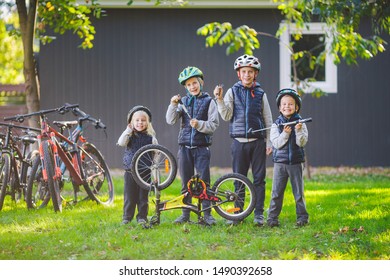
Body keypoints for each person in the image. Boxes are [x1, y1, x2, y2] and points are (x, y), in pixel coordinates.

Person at [213, 54, 273, 226]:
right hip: (239, 143)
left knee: (259, 178)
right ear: (239, 74)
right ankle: (238, 213)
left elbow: (268, 119)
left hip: (258, 142)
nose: (247, 74)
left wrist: (269, 142)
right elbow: (226, 115)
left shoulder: (261, 94)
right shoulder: (232, 92)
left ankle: (259, 214)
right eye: (244, 71)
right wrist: (219, 99)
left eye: (250, 72)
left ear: (255, 74)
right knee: (239, 178)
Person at [166, 66, 219, 226]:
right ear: (185, 87)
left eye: (195, 83)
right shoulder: (183, 102)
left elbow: (214, 124)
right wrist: (172, 105)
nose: (192, 87)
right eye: (188, 85)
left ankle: (206, 214)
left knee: (204, 181)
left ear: (201, 82)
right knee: (186, 182)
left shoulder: (209, 102)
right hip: (184, 148)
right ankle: (185, 213)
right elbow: (170, 120)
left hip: (201, 147)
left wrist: (200, 124)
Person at [267, 88, 309, 227]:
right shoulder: (276, 124)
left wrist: (298, 131)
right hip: (280, 163)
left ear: (296, 107)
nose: (287, 106)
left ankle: (302, 217)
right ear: (279, 108)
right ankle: (272, 218)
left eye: (290, 104)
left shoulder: (300, 123)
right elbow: (277, 144)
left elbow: (301, 143)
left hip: (296, 163)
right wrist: (285, 134)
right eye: (284, 104)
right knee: (276, 192)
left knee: (298, 193)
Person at [117, 105, 157, 226]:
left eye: (143, 120)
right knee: (129, 196)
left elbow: (156, 155)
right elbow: (120, 142)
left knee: (143, 197)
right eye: (137, 120)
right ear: (131, 122)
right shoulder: (129, 136)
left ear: (148, 122)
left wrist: (154, 173)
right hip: (130, 171)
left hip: (144, 172)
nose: (140, 123)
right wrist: (128, 130)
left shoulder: (151, 138)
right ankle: (127, 217)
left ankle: (142, 217)